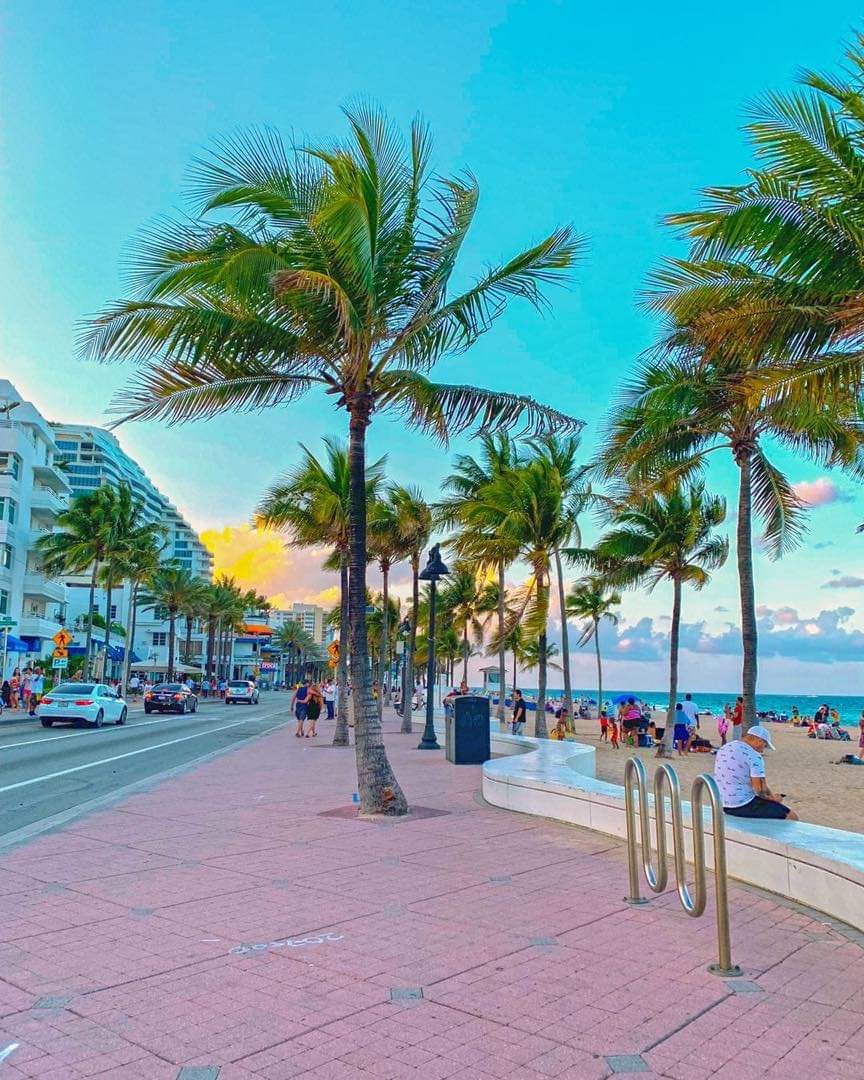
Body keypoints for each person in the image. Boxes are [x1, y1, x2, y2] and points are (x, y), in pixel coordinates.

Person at [714, 724, 797, 820]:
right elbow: (759, 789)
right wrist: (774, 799)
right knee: (791, 815)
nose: (763, 750)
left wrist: (771, 796)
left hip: (721, 802)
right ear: (759, 741)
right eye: (764, 745)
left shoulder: (725, 747)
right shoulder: (754, 756)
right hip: (741, 805)